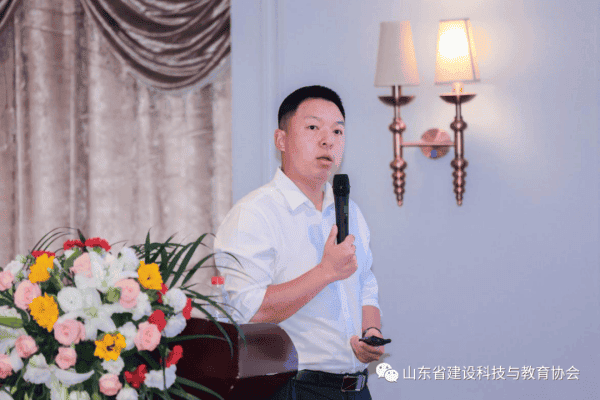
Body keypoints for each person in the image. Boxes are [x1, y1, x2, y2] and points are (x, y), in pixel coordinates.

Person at [214, 85, 384, 399]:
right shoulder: (253, 214)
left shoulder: (350, 211)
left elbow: (366, 285)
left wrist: (370, 331)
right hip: (294, 389)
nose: (328, 140)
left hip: (356, 389)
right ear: (281, 140)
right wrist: (325, 272)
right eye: (313, 128)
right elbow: (246, 311)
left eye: (337, 131)